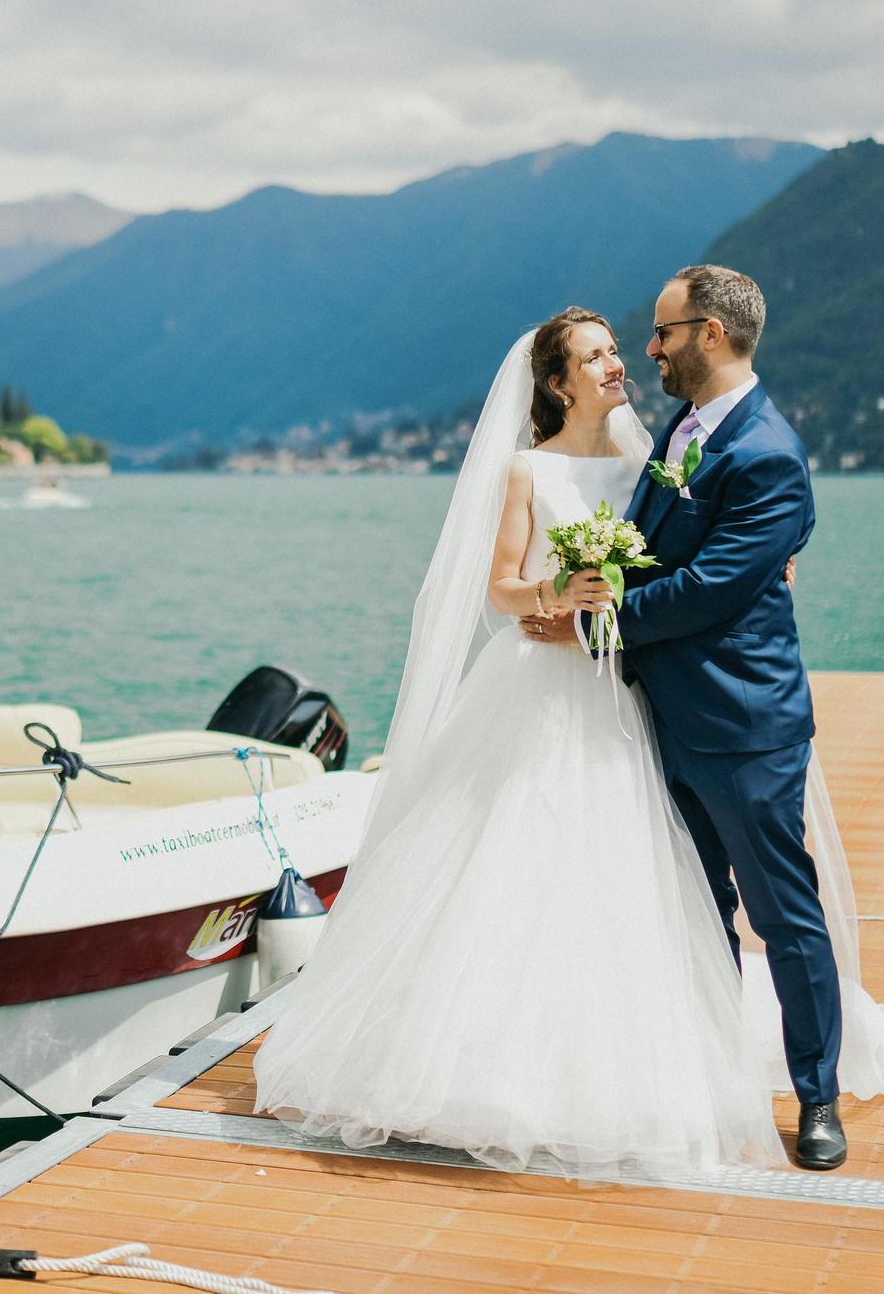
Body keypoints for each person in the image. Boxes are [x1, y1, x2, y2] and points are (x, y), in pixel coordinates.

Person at [252, 307, 784, 1179]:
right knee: (509, 854)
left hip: (621, 690)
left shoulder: (651, 466)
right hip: (535, 689)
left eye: (618, 349)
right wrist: (551, 592)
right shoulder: (525, 469)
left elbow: (694, 558)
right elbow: (498, 587)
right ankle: (471, 1067)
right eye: (596, 355)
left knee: (618, 866)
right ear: (556, 381)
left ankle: (618, 1061)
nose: (618, 364)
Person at [530, 263, 884, 1170]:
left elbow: (714, 585)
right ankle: (712, 1077)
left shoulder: (768, 448)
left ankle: (816, 1097)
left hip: (743, 724)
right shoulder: (685, 435)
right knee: (697, 910)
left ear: (711, 334)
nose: (648, 348)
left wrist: (596, 625)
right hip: (661, 716)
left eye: (662, 332)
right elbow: (660, 549)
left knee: (783, 914)